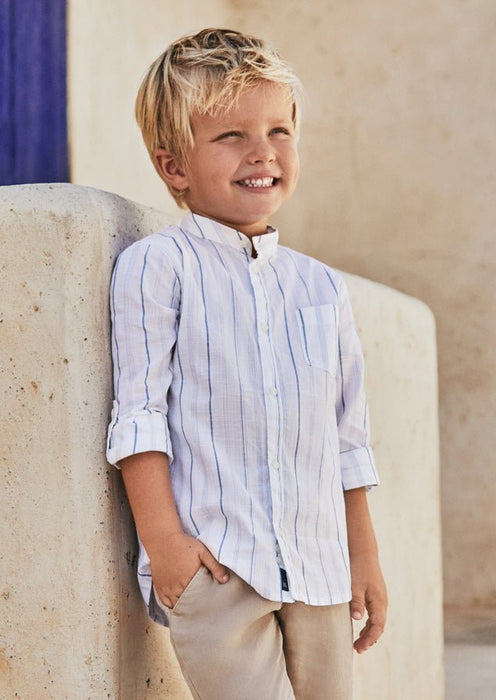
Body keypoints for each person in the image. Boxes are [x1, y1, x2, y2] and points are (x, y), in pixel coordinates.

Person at [107, 27, 387, 700]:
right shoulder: (158, 267)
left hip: (320, 569)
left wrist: (364, 556)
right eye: (230, 136)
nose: (263, 152)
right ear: (174, 166)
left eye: (279, 131)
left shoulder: (321, 287)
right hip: (219, 570)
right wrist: (166, 545)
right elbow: (139, 414)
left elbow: (347, 439)